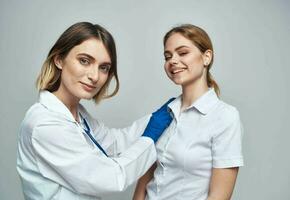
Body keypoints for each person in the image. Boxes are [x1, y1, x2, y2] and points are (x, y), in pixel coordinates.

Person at [16, 22, 174, 200]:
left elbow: (115, 143)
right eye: (84, 61)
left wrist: (156, 118)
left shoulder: (77, 114)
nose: (94, 76)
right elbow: (111, 178)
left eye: (104, 67)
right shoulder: (45, 124)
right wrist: (150, 137)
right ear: (59, 59)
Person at [133, 24, 244, 200]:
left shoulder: (224, 116)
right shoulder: (166, 112)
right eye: (167, 56)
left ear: (206, 57)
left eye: (183, 53)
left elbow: (219, 196)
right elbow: (147, 172)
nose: (173, 61)